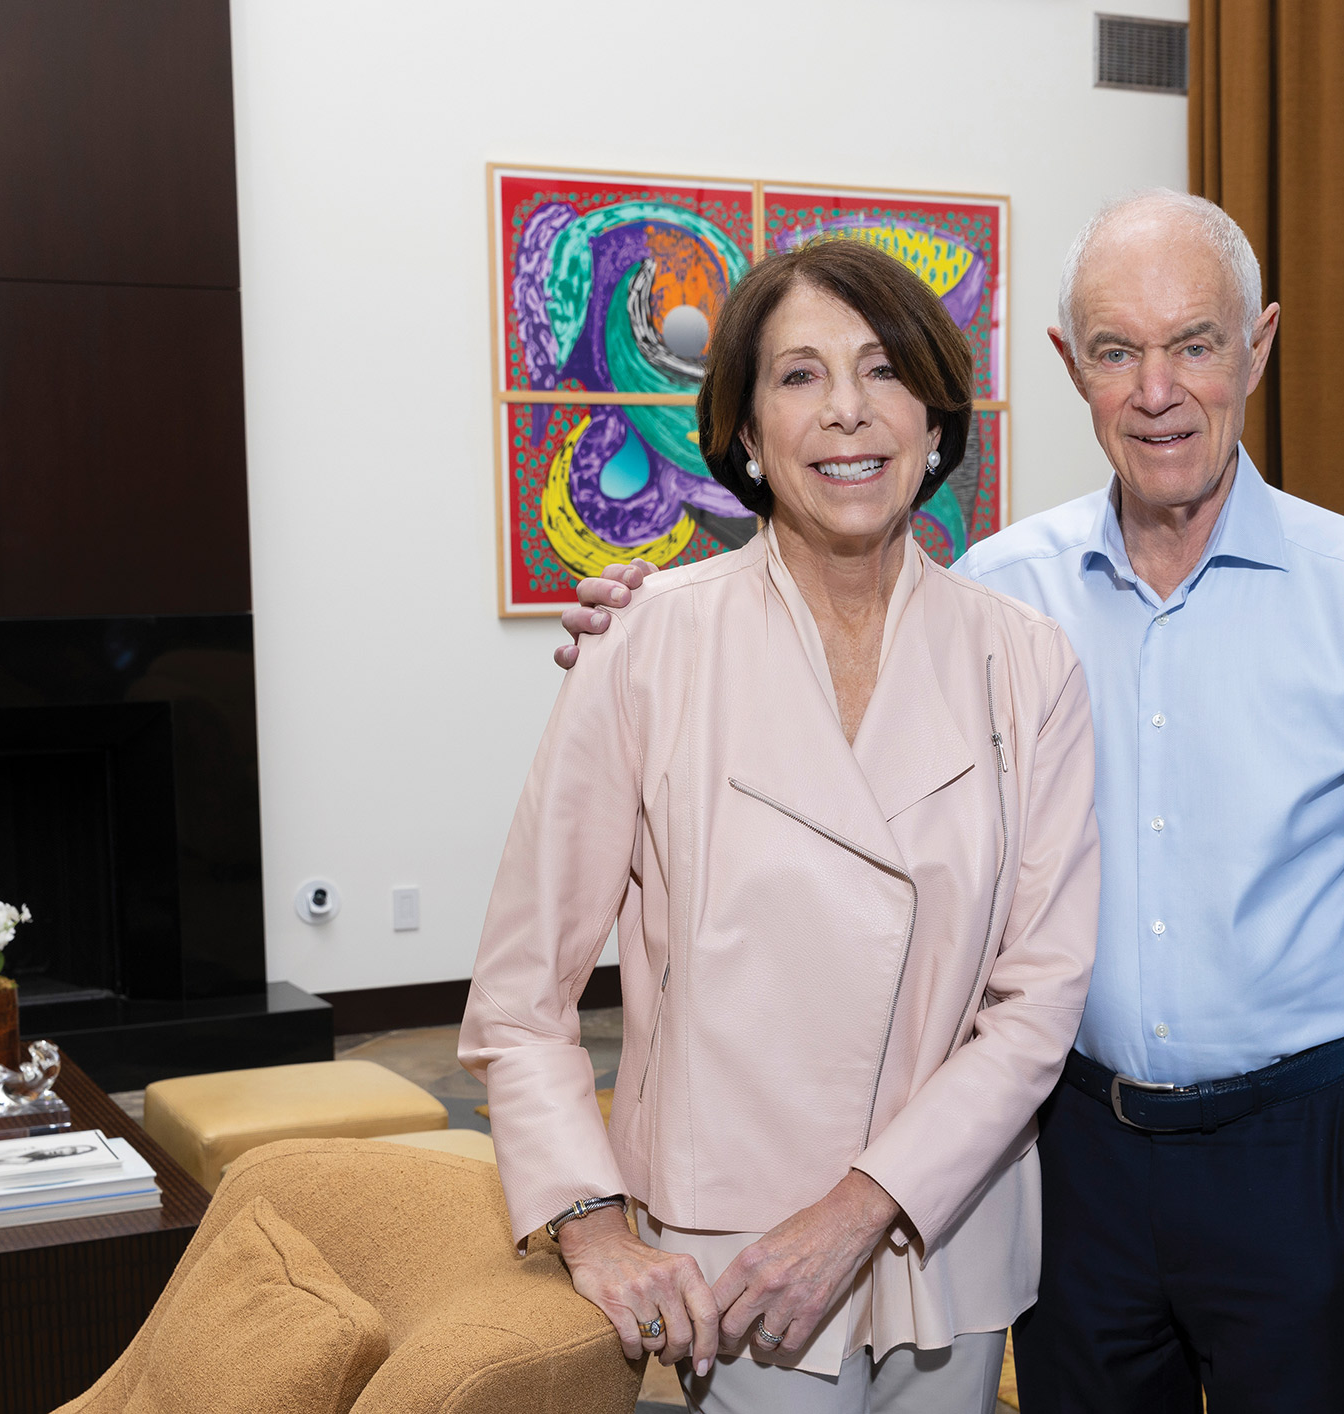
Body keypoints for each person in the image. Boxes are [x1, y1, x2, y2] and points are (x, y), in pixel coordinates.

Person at [563, 189, 1344, 1411]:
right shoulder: (1005, 596)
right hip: (1069, 1158)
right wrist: (646, 621)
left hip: (1299, 1157)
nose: (1157, 389)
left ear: (1259, 345)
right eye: (1118, 350)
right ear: (1072, 365)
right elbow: (827, 624)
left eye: (1196, 344)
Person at [463, 238, 1101, 1413]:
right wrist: (591, 1222)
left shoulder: (1027, 662)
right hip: (732, 1249)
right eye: (800, 376)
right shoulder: (648, 643)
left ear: (935, 418)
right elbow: (522, 986)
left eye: (882, 370)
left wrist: (865, 1203)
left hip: (939, 1227)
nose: (848, 412)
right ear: (748, 434)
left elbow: (1039, 999)